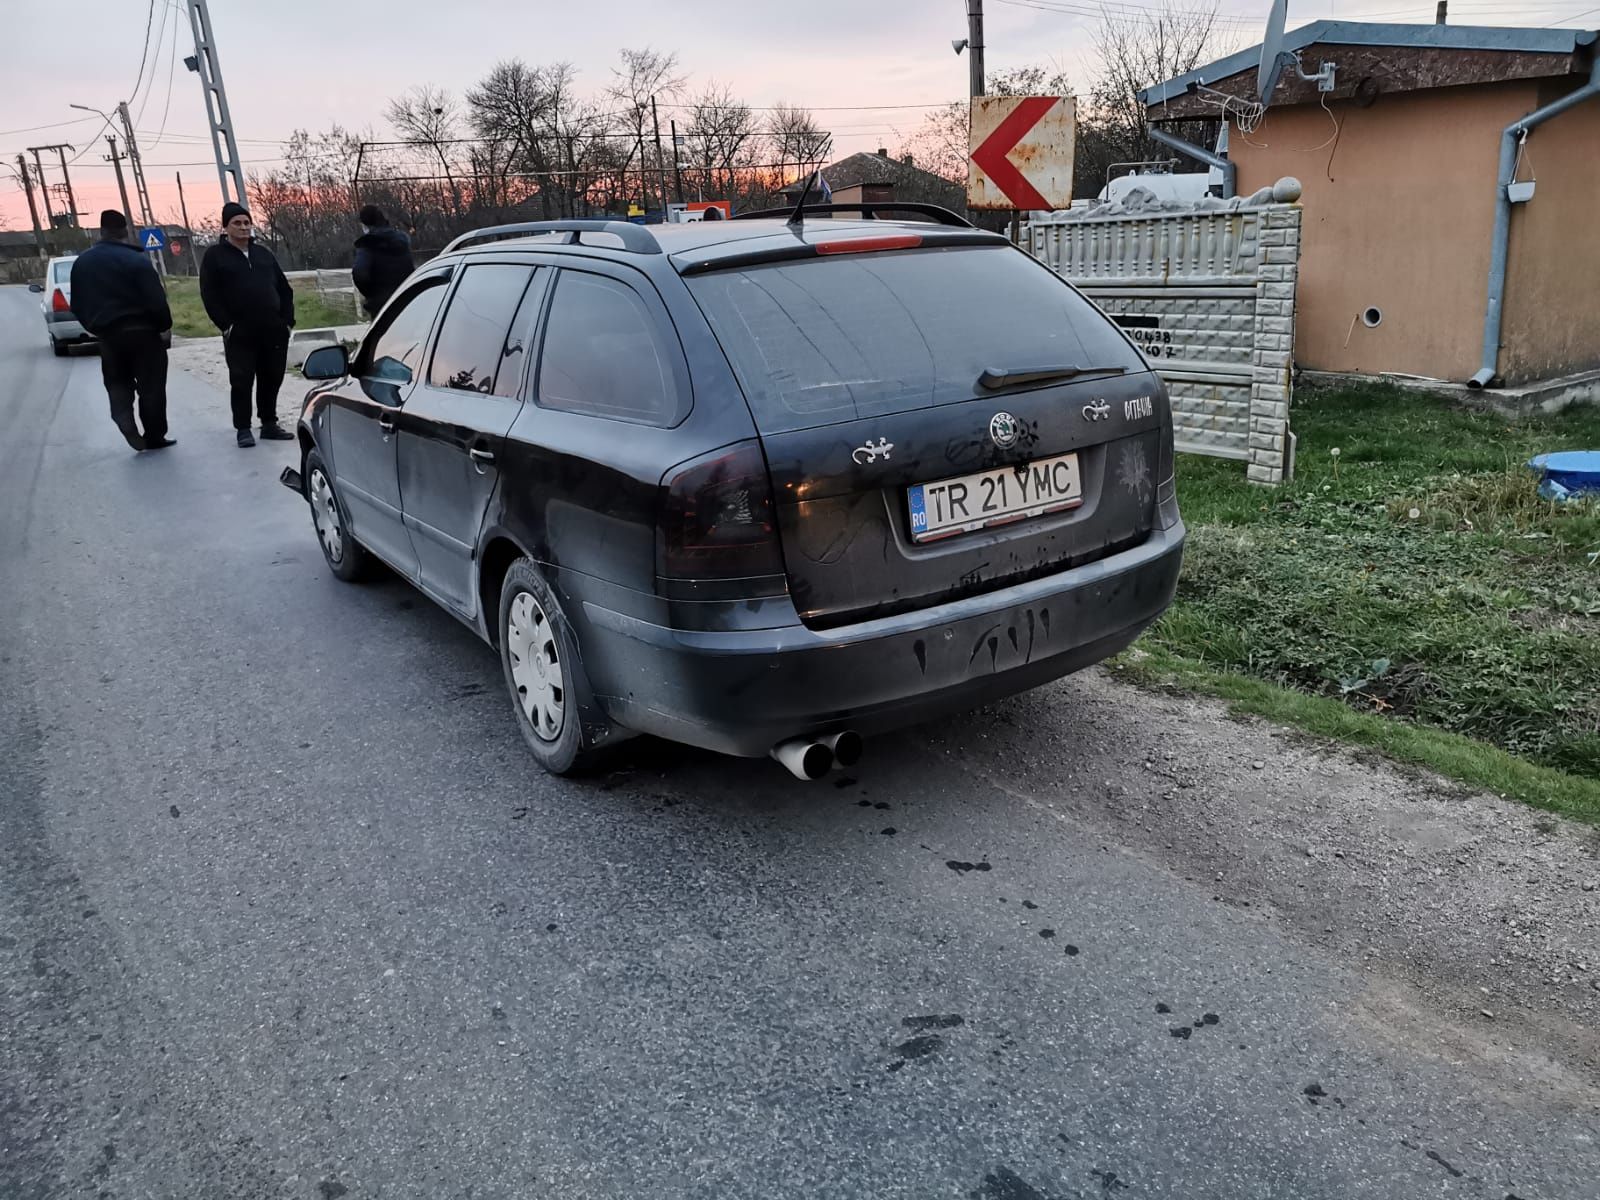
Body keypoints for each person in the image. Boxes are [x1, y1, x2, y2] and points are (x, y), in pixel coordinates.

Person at [68, 210, 175, 452]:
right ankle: (155, 435)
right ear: (125, 231)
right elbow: (156, 300)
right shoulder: (137, 261)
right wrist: (163, 326)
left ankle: (123, 414)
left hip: (108, 335)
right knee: (152, 387)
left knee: (117, 381)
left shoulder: (83, 263)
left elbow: (77, 305)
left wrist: (95, 327)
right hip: (144, 334)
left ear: (101, 231)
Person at [199, 201, 296, 447]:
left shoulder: (263, 254)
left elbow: (284, 290)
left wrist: (287, 322)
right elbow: (209, 295)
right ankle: (243, 428)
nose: (243, 227)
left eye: (246, 222)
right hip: (240, 332)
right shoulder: (215, 256)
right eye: (237, 223)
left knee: (271, 377)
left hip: (273, 330)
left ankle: (269, 423)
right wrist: (226, 325)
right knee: (241, 380)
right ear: (226, 227)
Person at [352, 204, 414, 317]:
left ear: (365, 225)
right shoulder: (401, 242)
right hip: (408, 298)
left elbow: (360, 274)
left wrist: (372, 295)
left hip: (382, 306)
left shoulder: (368, 245)